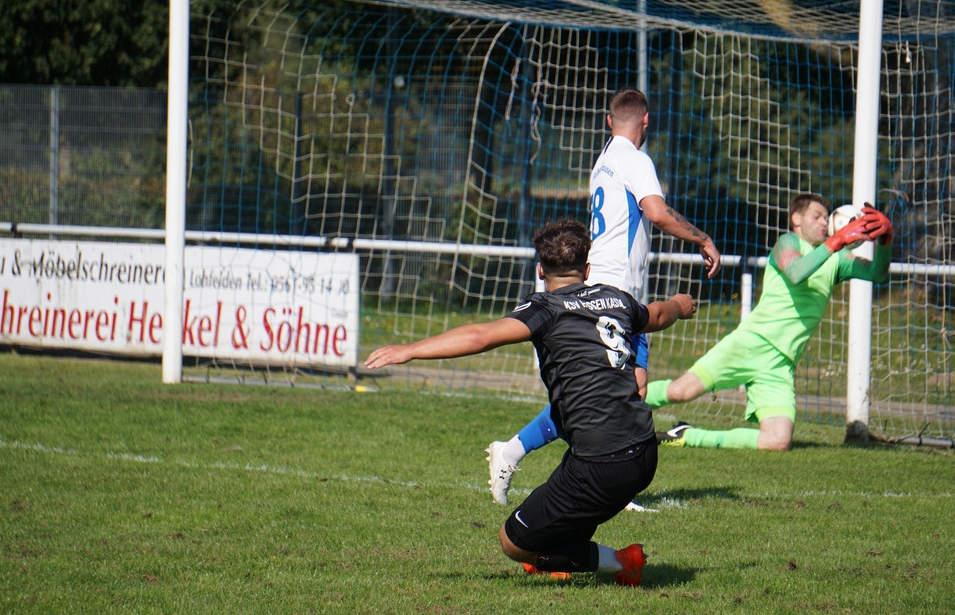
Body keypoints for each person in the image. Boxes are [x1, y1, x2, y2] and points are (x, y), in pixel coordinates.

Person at [365, 219, 697, 584]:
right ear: (587, 269)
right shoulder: (616, 298)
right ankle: (563, 554)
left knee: (514, 543)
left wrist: (411, 350)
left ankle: (622, 562)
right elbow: (658, 314)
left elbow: (481, 335)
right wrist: (680, 304)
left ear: (540, 271)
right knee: (557, 531)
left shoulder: (546, 309)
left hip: (602, 464)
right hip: (645, 452)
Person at [486, 87, 722, 504]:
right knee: (612, 394)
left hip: (609, 287)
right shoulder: (635, 159)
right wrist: (703, 239)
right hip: (614, 293)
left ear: (609, 120)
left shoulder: (605, 160)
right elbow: (657, 212)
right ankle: (598, 480)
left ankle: (516, 451)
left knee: (632, 388)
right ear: (645, 121)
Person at [649, 195, 893, 450]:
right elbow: (797, 272)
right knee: (679, 392)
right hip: (750, 344)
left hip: (779, 364)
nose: (824, 221)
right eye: (817, 216)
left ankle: (686, 435)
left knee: (778, 440)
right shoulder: (788, 242)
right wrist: (838, 240)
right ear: (796, 219)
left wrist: (885, 241)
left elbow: (878, 274)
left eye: (826, 216)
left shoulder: (837, 259)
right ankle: (625, 404)